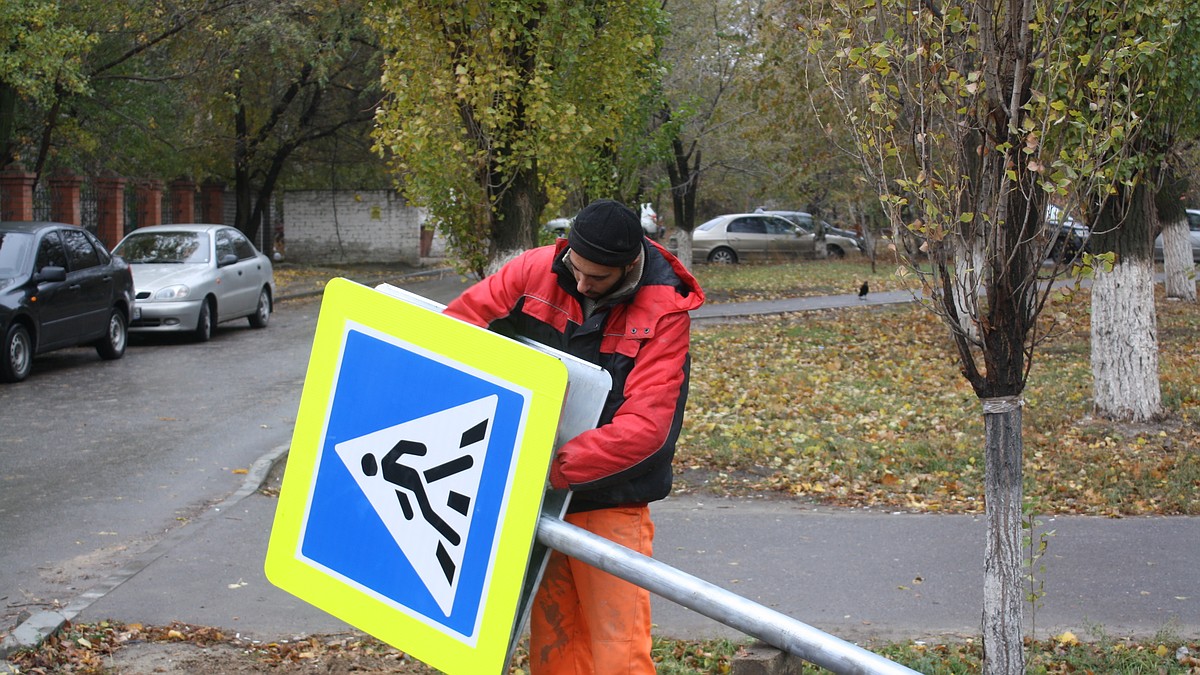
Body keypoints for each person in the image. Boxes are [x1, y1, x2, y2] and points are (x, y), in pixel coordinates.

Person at [443, 198, 705, 674]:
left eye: (597, 278)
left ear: (629, 266)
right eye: (574, 268)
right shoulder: (535, 268)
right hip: (537, 499)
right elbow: (454, 333)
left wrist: (548, 468)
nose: (581, 284)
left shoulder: (664, 312)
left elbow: (645, 431)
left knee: (618, 653)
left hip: (610, 502)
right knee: (556, 648)